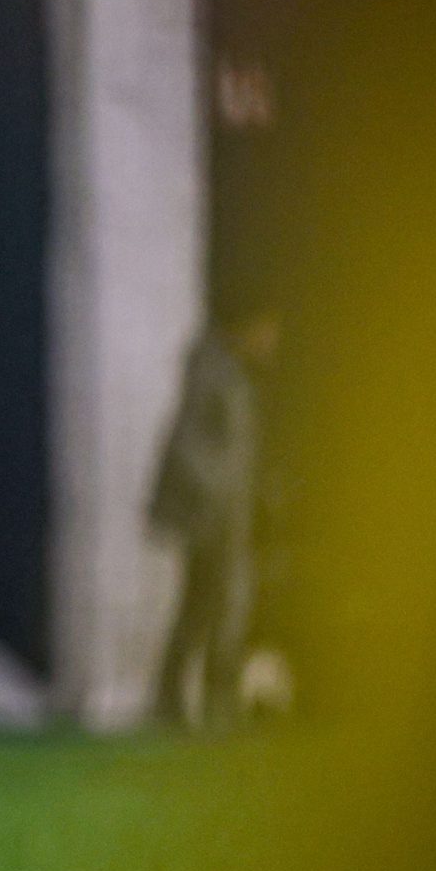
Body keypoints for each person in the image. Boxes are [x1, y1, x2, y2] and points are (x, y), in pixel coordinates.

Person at [146, 309, 278, 726]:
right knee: (209, 606)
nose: (272, 342)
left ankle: (198, 701)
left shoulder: (235, 376)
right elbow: (188, 444)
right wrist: (218, 495)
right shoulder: (213, 372)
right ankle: (191, 701)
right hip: (209, 518)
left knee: (211, 606)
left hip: (227, 517)